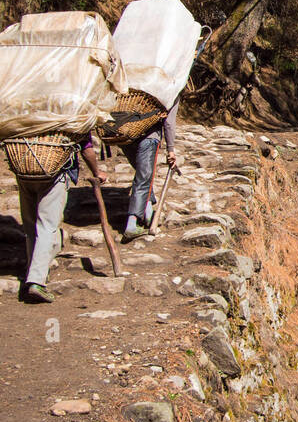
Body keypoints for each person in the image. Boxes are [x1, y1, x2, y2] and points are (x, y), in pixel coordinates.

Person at [16, 133, 100, 303]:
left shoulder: (29, 115)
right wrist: (97, 171)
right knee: (47, 226)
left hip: (24, 169)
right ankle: (36, 281)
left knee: (30, 225)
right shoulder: (71, 118)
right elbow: (86, 148)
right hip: (55, 171)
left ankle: (32, 272)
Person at [119, 101, 178, 242]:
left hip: (124, 133)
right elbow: (169, 122)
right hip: (149, 136)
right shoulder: (172, 90)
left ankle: (148, 214)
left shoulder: (136, 83)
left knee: (143, 174)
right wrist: (171, 149)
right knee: (144, 178)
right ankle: (132, 223)